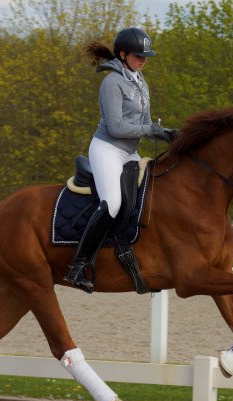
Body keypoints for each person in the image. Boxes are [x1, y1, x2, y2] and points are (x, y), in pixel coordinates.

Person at [64, 27, 177, 293]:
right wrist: (152, 130)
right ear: (123, 55)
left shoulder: (141, 80)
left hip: (130, 151)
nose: (144, 60)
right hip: (107, 148)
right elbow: (116, 127)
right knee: (112, 203)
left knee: (150, 193)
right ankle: (77, 265)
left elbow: (146, 124)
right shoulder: (111, 83)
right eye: (139, 55)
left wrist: (167, 133)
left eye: (146, 56)